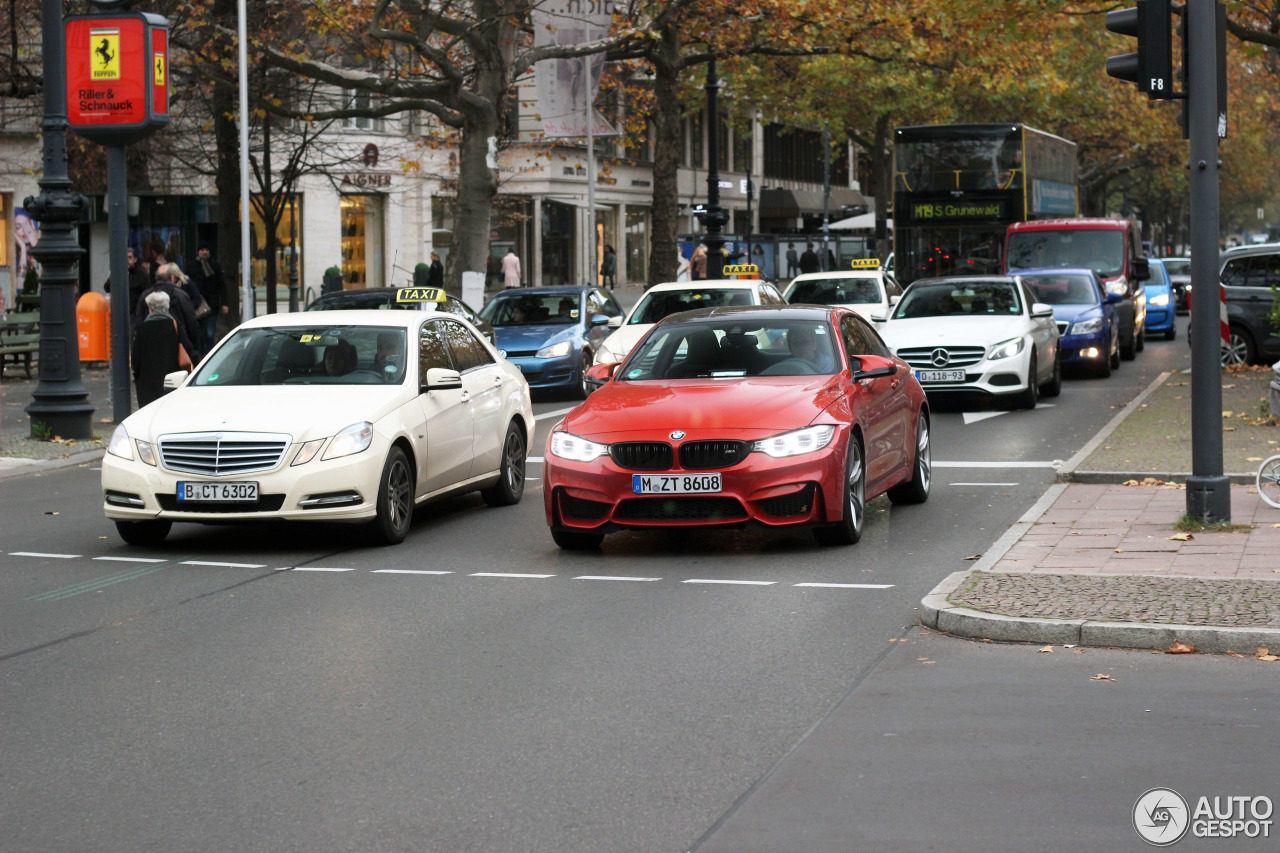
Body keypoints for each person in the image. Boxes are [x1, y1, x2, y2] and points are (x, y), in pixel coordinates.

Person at [136, 263, 202, 363]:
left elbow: (139, 321)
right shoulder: (180, 295)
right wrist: (194, 345)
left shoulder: (145, 296)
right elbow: (190, 321)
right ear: (172, 277)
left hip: (151, 347)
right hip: (177, 345)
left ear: (155, 278)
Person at [132, 290, 184, 408]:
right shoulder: (174, 325)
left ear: (150, 308)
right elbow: (188, 346)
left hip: (147, 384)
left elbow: (135, 358)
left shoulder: (142, 328)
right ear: (167, 307)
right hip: (171, 382)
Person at [188, 242, 229, 351]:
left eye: (206, 250)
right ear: (198, 251)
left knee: (210, 333)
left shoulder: (215, 265)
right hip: (198, 305)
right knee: (201, 334)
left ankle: (210, 353)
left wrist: (224, 303)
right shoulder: (191, 266)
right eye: (202, 250)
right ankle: (203, 355)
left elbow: (222, 284)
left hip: (212, 304)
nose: (205, 252)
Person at [104, 247, 150, 316]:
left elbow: (147, 293)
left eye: (129, 257)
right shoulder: (118, 272)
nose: (127, 260)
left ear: (135, 259)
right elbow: (107, 288)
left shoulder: (141, 274)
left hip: (135, 312)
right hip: (119, 311)